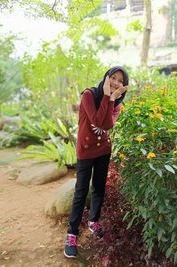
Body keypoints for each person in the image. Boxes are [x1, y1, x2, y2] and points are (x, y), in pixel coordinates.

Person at [64, 66, 129, 258]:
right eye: (113, 78)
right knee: (81, 191)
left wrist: (111, 99)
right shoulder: (89, 95)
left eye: (120, 80)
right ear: (106, 77)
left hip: (103, 151)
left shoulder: (117, 104)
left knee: (99, 187)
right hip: (85, 150)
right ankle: (72, 235)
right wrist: (108, 96)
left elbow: (108, 124)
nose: (116, 82)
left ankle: (93, 222)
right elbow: (98, 121)